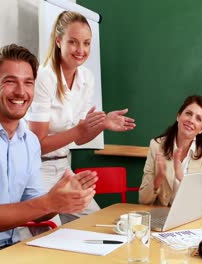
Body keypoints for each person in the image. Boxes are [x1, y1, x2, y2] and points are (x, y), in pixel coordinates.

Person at [0, 44, 97, 262]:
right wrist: (49, 202)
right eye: (10, 81)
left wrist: (62, 199)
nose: (21, 92)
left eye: (28, 83)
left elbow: (37, 208)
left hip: (13, 250)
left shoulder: (30, 142)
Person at [26, 11, 135, 225]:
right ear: (58, 41)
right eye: (73, 42)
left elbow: (80, 138)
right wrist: (78, 130)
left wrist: (101, 124)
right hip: (36, 171)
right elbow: (36, 146)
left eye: (86, 43)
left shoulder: (86, 78)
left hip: (64, 167)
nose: (81, 50)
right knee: (51, 234)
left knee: (97, 224)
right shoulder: (44, 77)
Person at [139, 95, 202, 209]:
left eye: (198, 118)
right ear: (178, 116)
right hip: (160, 217)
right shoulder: (156, 146)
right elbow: (143, 200)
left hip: (189, 217)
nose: (191, 120)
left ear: (201, 129)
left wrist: (182, 178)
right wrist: (158, 180)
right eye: (188, 113)